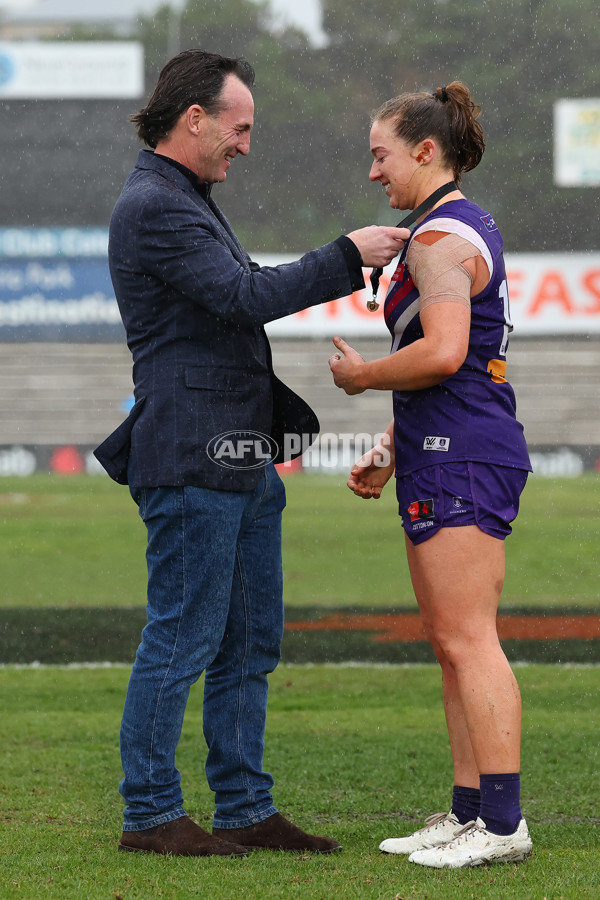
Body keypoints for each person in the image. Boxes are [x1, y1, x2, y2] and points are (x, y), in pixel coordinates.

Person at [94, 49, 407, 858]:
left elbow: (242, 291)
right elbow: (243, 296)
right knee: (183, 637)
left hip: (237, 457)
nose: (246, 143)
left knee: (249, 642)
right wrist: (346, 255)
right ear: (193, 117)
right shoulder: (155, 204)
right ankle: (150, 812)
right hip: (193, 455)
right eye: (239, 128)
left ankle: (242, 807)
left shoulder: (184, 198)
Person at [328, 81, 533, 869]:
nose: (373, 170)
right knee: (451, 642)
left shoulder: (440, 236)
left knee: (468, 638)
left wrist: (364, 378)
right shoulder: (448, 227)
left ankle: (503, 825)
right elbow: (459, 361)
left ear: (424, 150)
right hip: (441, 445)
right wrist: (390, 447)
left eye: (381, 154)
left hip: (463, 451)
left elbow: (446, 354)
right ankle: (468, 812)